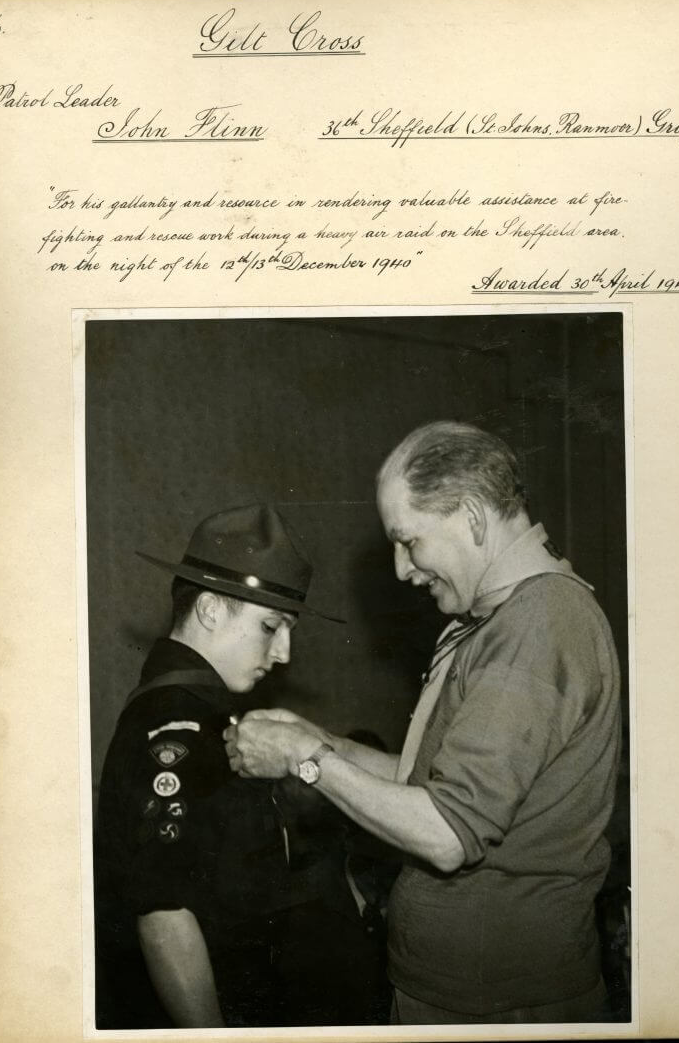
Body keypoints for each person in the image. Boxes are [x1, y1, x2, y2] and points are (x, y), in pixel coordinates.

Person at [225, 421, 622, 1025]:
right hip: (465, 993)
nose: (403, 570)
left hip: (497, 1006)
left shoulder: (538, 623)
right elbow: (427, 785)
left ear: (471, 516)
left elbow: (446, 833)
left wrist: (304, 761)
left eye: (408, 541)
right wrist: (321, 741)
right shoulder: (502, 619)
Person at [94, 502, 369, 1029]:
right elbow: (164, 916)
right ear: (212, 610)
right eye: (271, 627)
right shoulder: (175, 725)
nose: (284, 653)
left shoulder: (205, 710)